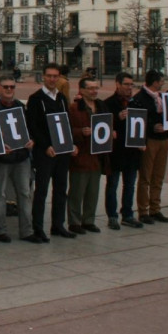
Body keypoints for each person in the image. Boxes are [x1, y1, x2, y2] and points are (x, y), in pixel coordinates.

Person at [0, 76, 38, 243]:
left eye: (12, 87)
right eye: (6, 87)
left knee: (24, 193)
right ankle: (0, 229)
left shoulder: (21, 107)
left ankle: (27, 230)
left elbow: (30, 128)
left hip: (21, 156)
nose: (9, 90)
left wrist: (31, 140)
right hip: (2, 158)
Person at [26, 62, 75, 240]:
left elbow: (66, 122)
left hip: (62, 151)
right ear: (44, 77)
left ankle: (58, 224)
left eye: (56, 76)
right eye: (50, 76)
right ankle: (38, 227)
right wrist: (46, 145)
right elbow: (33, 125)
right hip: (45, 152)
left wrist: (71, 144)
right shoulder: (35, 99)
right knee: (42, 190)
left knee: (61, 189)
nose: (53, 79)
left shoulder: (61, 98)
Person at [104, 72, 144, 229]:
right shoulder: (107, 103)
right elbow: (103, 127)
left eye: (131, 85)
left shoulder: (136, 103)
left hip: (132, 152)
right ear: (118, 84)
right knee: (112, 184)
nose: (129, 88)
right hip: (116, 152)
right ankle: (112, 216)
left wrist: (142, 142)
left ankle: (127, 214)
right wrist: (116, 118)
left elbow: (143, 125)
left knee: (129, 185)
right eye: (126, 84)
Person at [67, 77, 106, 234]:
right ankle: (74, 222)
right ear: (81, 90)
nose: (94, 91)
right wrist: (80, 132)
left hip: (96, 155)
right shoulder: (74, 108)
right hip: (81, 155)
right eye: (90, 88)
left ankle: (88, 220)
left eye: (96, 88)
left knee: (93, 191)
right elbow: (67, 130)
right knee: (77, 191)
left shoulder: (101, 107)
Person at [133, 70, 168, 224]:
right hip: (149, 140)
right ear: (155, 82)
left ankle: (156, 208)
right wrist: (152, 127)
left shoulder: (162, 97)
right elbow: (138, 120)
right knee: (146, 177)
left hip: (164, 139)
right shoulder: (140, 98)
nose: (163, 83)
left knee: (158, 175)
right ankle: (143, 210)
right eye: (161, 81)